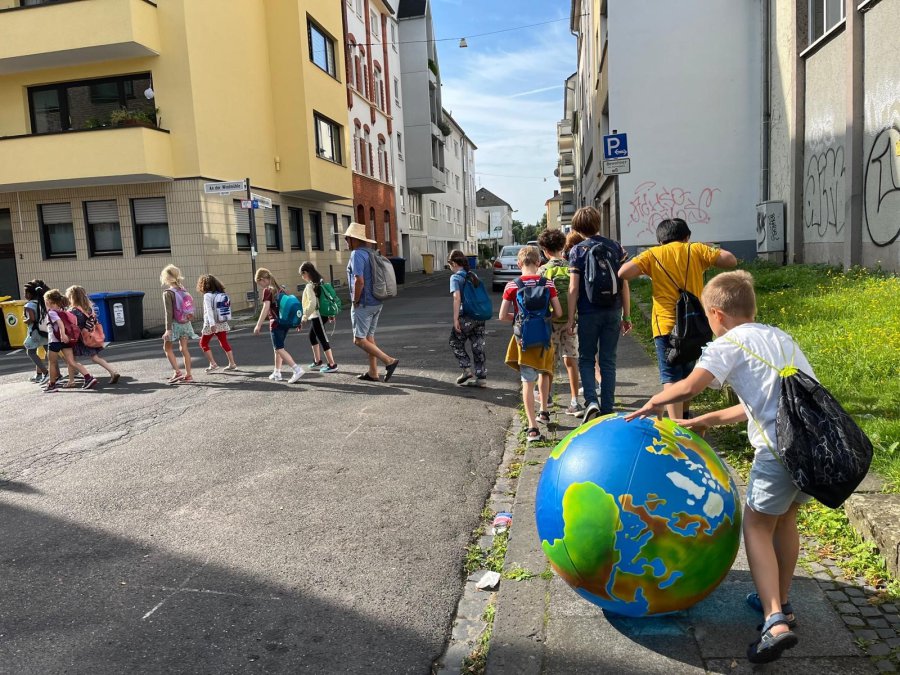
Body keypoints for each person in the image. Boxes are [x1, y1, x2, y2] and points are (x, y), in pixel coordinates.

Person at [626, 271, 811, 664]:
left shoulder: (729, 342)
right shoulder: (780, 338)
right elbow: (760, 402)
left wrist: (654, 402)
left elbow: (689, 385)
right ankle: (781, 600)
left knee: (757, 526)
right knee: (785, 521)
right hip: (808, 449)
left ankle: (774, 621)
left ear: (716, 314)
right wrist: (706, 420)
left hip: (777, 451)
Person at [618, 218, 737, 419]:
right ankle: (685, 416)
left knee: (671, 377)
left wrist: (645, 261)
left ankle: (676, 426)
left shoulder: (653, 254)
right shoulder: (696, 250)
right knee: (687, 375)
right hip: (695, 325)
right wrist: (707, 248)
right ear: (687, 236)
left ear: (660, 240)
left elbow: (623, 273)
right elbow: (730, 260)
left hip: (666, 326)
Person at [565, 207, 632, 422]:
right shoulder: (616, 247)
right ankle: (608, 408)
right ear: (598, 223)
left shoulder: (577, 251)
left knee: (586, 358)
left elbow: (573, 288)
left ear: (577, 227)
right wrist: (627, 315)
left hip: (588, 313)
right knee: (608, 360)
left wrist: (571, 318)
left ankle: (591, 401)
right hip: (613, 310)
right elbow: (624, 284)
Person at [498, 245, 563, 443]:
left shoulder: (512, 285)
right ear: (538, 262)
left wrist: (519, 318)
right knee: (545, 372)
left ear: (519, 264)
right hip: (544, 336)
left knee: (527, 380)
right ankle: (544, 411)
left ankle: (532, 428)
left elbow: (502, 316)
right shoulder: (547, 283)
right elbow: (558, 312)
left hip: (523, 339)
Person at [343, 222, 399, 383]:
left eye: (347, 238)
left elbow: (359, 280)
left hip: (364, 303)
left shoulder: (356, 255)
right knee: (369, 338)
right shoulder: (370, 253)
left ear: (354, 239)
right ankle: (373, 372)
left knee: (358, 339)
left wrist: (355, 300)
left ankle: (389, 361)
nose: (346, 241)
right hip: (377, 301)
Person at [537, 229, 581, 415]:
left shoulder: (543, 270)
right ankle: (575, 401)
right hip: (571, 321)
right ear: (563, 246)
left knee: (549, 362)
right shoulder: (572, 266)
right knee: (571, 360)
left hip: (551, 321)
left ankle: (546, 398)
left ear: (545, 250)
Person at [253, 268, 304, 384]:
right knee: (278, 348)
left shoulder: (268, 290)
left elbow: (266, 308)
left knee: (279, 348)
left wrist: (258, 325)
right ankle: (277, 372)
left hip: (276, 323)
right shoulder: (281, 289)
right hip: (284, 323)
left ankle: (297, 369)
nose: (260, 286)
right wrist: (298, 321)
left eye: (259, 283)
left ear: (263, 280)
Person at [42, 289, 98, 392]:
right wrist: (65, 336)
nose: (45, 304)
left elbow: (60, 323)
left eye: (45, 302)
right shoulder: (63, 311)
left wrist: (62, 334)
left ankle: (52, 385)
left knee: (52, 363)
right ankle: (88, 377)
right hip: (66, 340)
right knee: (72, 362)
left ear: (49, 301)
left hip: (55, 340)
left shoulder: (52, 312)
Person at [447, 249, 487, 387]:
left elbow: (456, 298)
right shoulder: (473, 275)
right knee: (478, 346)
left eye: (449, 265)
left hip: (467, 316)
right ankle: (481, 377)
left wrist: (455, 319)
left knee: (455, 341)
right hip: (479, 315)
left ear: (453, 263)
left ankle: (466, 369)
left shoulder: (455, 278)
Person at [65, 285, 120, 384]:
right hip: (89, 337)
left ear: (72, 297)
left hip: (79, 339)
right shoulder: (88, 309)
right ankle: (113, 371)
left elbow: (71, 326)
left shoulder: (73, 311)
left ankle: (71, 381)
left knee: (71, 360)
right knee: (95, 358)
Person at [160, 264, 198, 384]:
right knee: (184, 349)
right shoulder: (183, 290)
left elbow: (168, 313)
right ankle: (189, 375)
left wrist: (168, 329)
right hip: (185, 323)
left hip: (174, 325)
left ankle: (177, 372)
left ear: (166, 277)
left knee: (167, 348)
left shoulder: (168, 293)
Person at [299, 261, 338, 373]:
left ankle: (332, 364)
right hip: (320, 314)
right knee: (312, 336)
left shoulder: (310, 286)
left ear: (306, 272)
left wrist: (304, 317)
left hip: (317, 315)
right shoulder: (319, 282)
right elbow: (326, 299)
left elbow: (312, 303)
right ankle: (317, 361)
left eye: (302, 274)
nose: (302, 277)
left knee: (322, 338)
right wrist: (330, 314)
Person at [196, 274, 237, 372]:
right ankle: (232, 364)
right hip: (221, 321)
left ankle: (213, 364)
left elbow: (209, 310)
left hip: (211, 323)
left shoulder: (207, 295)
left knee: (203, 343)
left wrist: (212, 324)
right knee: (224, 342)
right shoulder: (220, 294)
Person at [22, 279, 49, 384]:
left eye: (25, 293)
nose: (25, 295)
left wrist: (25, 320)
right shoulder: (42, 302)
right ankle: (57, 374)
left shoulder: (29, 305)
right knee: (49, 353)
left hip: (35, 332)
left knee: (30, 352)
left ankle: (45, 372)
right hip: (45, 330)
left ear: (29, 294)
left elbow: (31, 319)